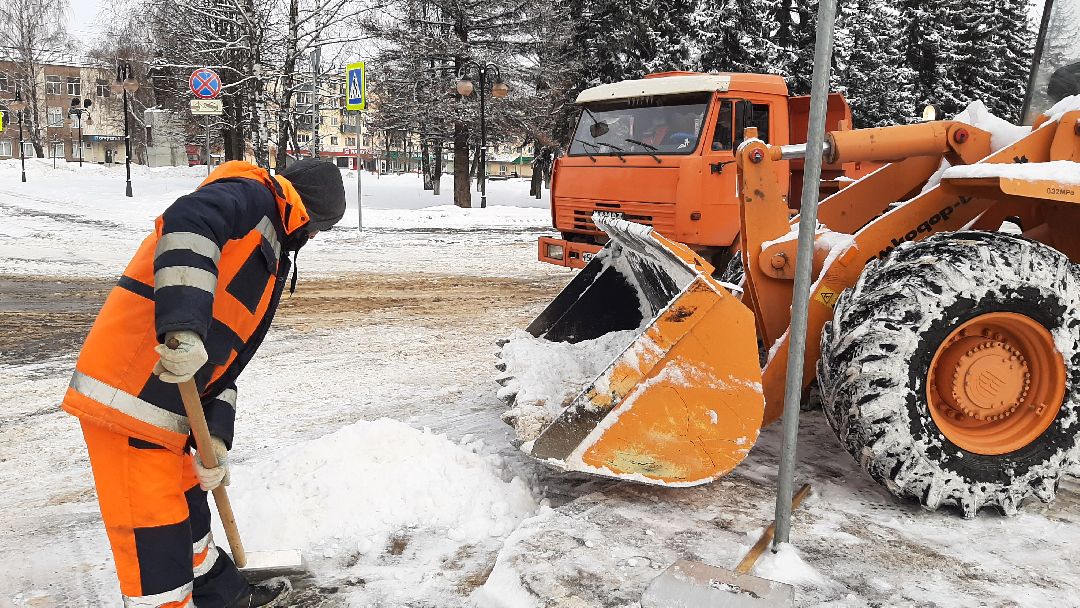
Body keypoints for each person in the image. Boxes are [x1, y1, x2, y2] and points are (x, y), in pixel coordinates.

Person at [62, 158, 346, 608]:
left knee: (189, 515)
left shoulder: (269, 240)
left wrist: (214, 436)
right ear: (310, 215)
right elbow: (188, 221)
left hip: (170, 408)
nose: (313, 239)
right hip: (130, 397)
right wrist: (183, 325)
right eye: (320, 230)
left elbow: (226, 359)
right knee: (155, 540)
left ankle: (224, 597)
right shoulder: (253, 198)